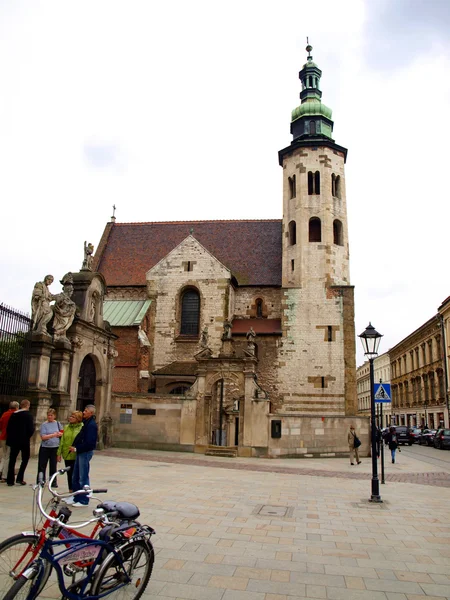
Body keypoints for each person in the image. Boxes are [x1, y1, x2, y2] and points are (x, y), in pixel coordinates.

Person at [67, 405, 98, 507]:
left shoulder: (91, 425)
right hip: (80, 452)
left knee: (83, 477)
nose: (83, 412)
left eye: (85, 411)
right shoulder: (86, 422)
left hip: (85, 452)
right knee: (75, 476)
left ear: (91, 413)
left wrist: (77, 448)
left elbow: (90, 443)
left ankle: (84, 500)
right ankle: (76, 497)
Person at [6, 399, 35, 486]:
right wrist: (27, 436)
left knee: (12, 459)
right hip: (24, 441)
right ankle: (20, 478)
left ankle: (10, 480)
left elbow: (8, 428)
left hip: (14, 440)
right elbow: (31, 429)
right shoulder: (28, 415)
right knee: (25, 459)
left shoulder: (14, 415)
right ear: (28, 405)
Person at [57, 410, 83, 491]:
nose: (70, 418)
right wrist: (59, 453)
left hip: (77, 454)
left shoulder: (82, 427)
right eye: (70, 416)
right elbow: (62, 441)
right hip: (67, 453)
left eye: (73, 417)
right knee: (69, 473)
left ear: (78, 418)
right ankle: (70, 490)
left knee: (77, 474)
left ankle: (77, 490)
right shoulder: (66, 427)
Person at [37, 408, 63, 486]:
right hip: (45, 447)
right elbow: (43, 437)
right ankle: (40, 481)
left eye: (51, 415)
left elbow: (62, 432)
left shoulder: (58, 423)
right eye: (48, 415)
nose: (50, 417)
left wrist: (60, 434)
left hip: (55, 447)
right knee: (42, 465)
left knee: (53, 466)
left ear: (54, 416)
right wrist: (53, 435)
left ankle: (53, 482)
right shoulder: (44, 425)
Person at [0, 401, 19, 481]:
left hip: (3, 436)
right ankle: (4, 475)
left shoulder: (4, 414)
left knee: (4, 456)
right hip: (10, 438)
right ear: (16, 407)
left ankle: (0, 470)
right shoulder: (15, 414)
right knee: (8, 457)